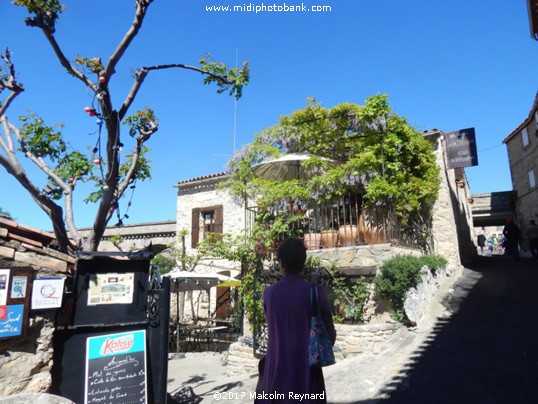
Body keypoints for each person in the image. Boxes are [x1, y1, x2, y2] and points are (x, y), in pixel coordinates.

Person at [255, 238, 336, 403]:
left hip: (275, 376)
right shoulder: (316, 292)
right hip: (307, 378)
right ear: (303, 263)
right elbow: (330, 337)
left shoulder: (269, 294)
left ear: (281, 262)